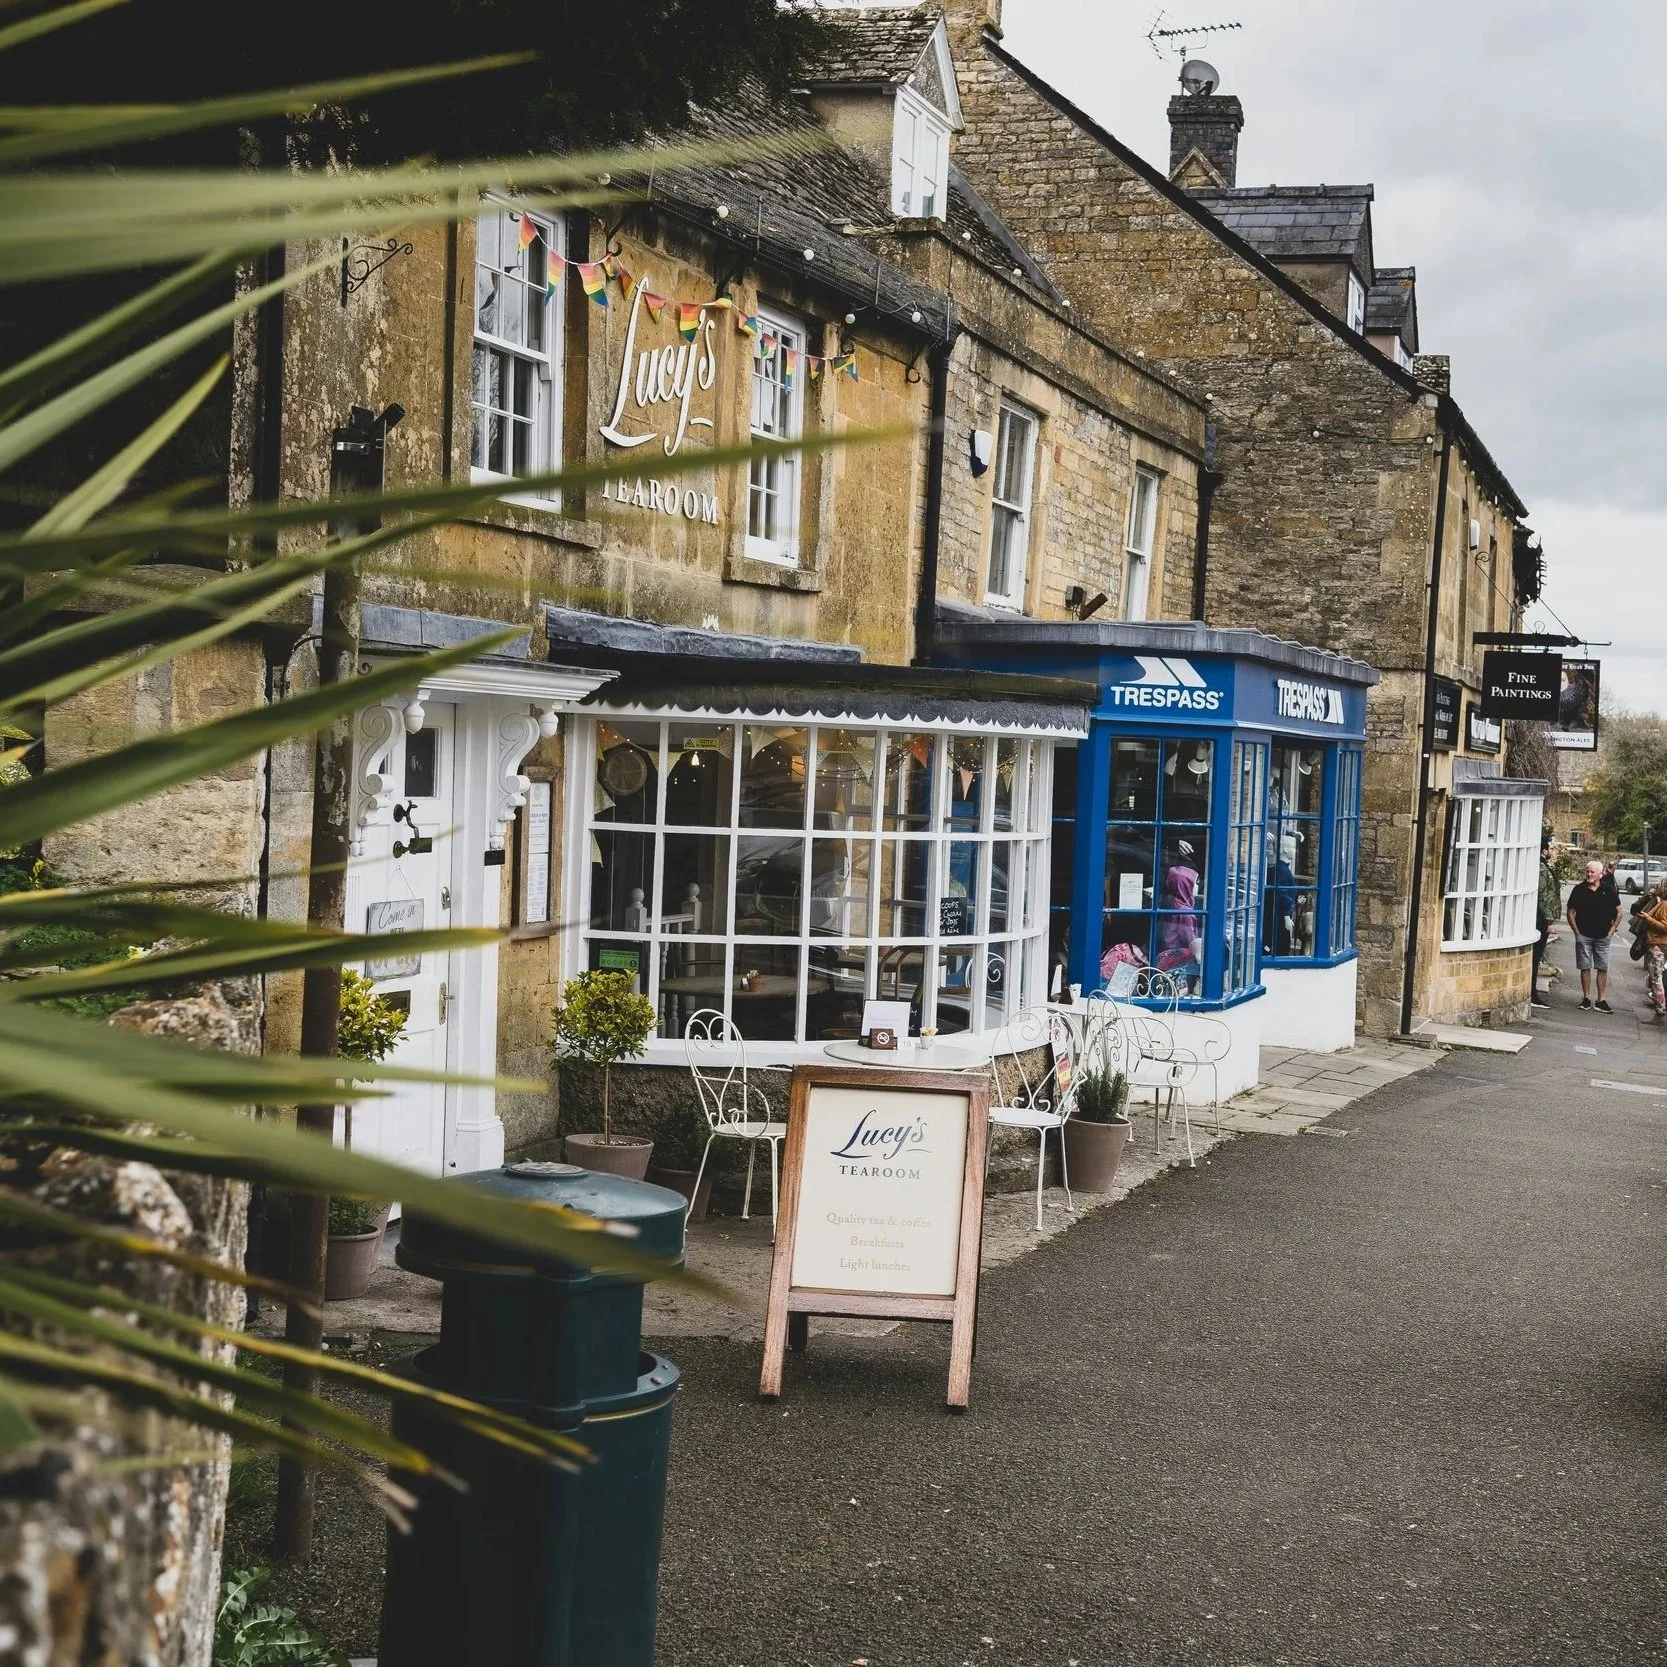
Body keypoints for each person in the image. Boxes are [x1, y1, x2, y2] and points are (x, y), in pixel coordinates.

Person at [1567, 858, 1622, 1012]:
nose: (1589, 874)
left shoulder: (1609, 889)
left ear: (1600, 873)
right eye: (1587, 871)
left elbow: (1620, 912)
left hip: (1603, 936)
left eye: (1592, 872)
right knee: (1585, 967)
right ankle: (1586, 998)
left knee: (1602, 967)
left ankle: (1601, 999)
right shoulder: (1578, 889)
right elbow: (1570, 912)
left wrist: (1611, 931)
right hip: (1583, 934)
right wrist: (1576, 931)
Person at [1633, 881, 1667, 1022]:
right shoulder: (1660, 902)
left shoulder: (1665, 905)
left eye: (1658, 885)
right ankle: (1659, 1008)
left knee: (1656, 978)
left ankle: (1660, 1009)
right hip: (1657, 943)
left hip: (1659, 943)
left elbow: (1665, 927)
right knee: (1655, 977)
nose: (1655, 888)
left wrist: (1648, 919)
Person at [1532, 832, 1558, 1009]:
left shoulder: (1542, 867)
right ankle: (1532, 992)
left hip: (1540, 918)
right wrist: (1549, 920)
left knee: (1536, 956)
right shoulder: (1541, 869)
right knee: (1535, 957)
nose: (1550, 852)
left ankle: (1532, 990)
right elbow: (1543, 896)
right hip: (1539, 919)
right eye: (1548, 849)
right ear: (1543, 851)